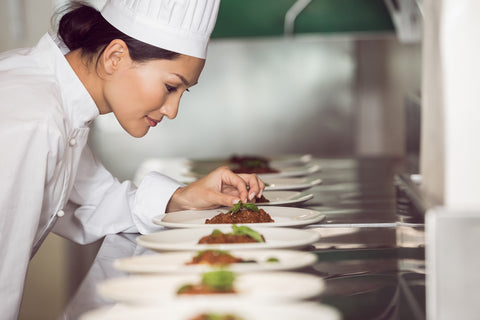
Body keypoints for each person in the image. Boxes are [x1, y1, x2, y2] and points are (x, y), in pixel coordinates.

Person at [0, 0, 265, 318]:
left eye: (182, 92)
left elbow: (92, 201)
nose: (172, 110)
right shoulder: (32, 115)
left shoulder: (59, 102)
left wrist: (181, 198)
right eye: (170, 87)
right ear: (115, 57)